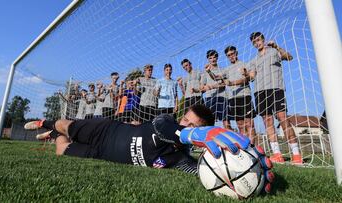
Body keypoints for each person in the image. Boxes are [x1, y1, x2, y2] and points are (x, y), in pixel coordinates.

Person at [24, 104, 273, 193]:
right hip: (107, 130)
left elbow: (202, 172)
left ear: (205, 130)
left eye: (192, 125)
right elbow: (166, 127)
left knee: (62, 150)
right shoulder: (165, 123)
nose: (184, 124)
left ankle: (54, 134)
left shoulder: (180, 159)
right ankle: (48, 123)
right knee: (67, 125)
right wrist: (189, 132)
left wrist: (247, 173)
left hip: (100, 154)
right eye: (185, 120)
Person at [248, 32, 302, 164]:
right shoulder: (253, 60)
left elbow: (289, 57)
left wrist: (277, 46)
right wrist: (247, 73)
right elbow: (252, 77)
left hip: (276, 89)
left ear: (263, 39)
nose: (257, 43)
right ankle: (277, 154)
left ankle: (296, 155)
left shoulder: (273, 51)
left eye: (258, 40)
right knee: (268, 121)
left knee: (283, 119)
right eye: (254, 42)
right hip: (260, 92)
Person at [222, 46, 257, 145]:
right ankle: (244, 146)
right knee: (240, 125)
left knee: (249, 124)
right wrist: (209, 71)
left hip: (245, 96)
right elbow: (217, 77)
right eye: (228, 55)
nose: (231, 56)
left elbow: (249, 79)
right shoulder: (227, 69)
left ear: (236, 53)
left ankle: (252, 147)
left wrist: (244, 75)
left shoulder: (245, 64)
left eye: (232, 54)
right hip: (233, 98)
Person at [202, 50, 231, 129]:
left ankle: (229, 140)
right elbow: (202, 87)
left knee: (226, 122)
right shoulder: (204, 72)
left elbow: (223, 83)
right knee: (209, 123)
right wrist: (202, 88)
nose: (213, 59)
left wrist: (212, 86)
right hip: (209, 98)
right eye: (210, 58)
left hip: (222, 97)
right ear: (208, 59)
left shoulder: (223, 70)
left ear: (217, 58)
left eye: (214, 57)